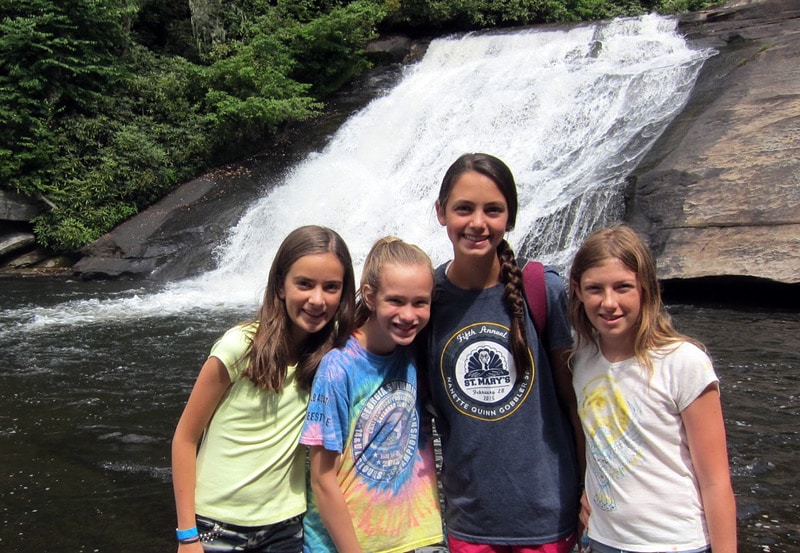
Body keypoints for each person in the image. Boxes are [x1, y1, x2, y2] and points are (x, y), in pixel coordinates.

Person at [426, 152, 582, 552]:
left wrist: (590, 491)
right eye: (464, 209)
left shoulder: (542, 289)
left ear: (509, 218)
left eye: (493, 210)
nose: (478, 223)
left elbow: (575, 405)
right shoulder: (425, 300)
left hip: (548, 519)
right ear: (441, 212)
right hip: (470, 521)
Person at [171, 225, 357, 553]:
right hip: (216, 526)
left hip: (285, 528)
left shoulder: (331, 357)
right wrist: (187, 536)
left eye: (331, 287)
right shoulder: (240, 346)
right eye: (304, 284)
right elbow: (185, 438)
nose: (317, 299)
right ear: (281, 286)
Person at [568, 224, 737, 553]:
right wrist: (587, 492)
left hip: (675, 543)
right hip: (604, 540)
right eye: (595, 289)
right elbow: (597, 441)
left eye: (623, 287)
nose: (609, 302)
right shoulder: (582, 359)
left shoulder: (683, 362)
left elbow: (716, 481)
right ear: (577, 290)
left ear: (644, 288)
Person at [300, 236, 443, 553]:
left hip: (416, 538)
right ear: (369, 296)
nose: (408, 315)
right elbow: (323, 480)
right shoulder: (338, 368)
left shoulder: (416, 350)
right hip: (343, 545)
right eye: (395, 301)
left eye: (420, 302)